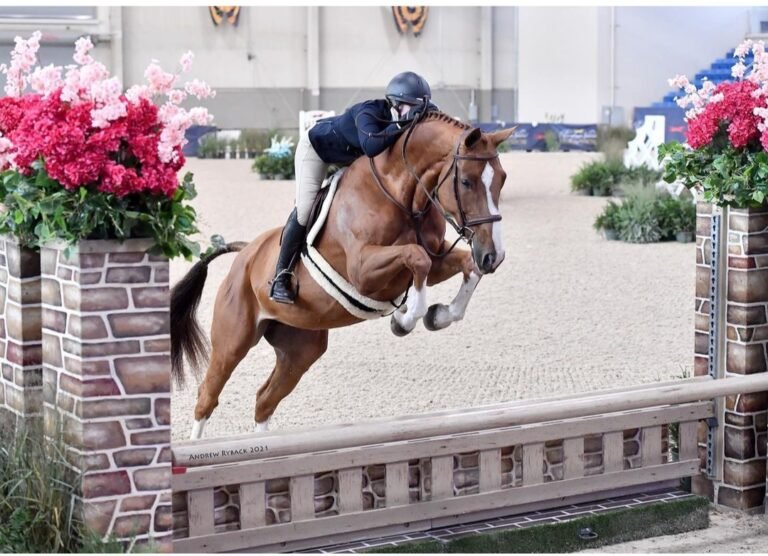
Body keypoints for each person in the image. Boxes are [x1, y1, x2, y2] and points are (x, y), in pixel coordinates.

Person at [269, 71, 436, 304]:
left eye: (421, 109)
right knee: (305, 209)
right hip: (318, 150)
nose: (417, 115)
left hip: (351, 158)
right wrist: (405, 123)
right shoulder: (368, 112)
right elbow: (371, 146)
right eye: (413, 108)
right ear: (396, 104)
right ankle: (281, 275)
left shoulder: (408, 113)